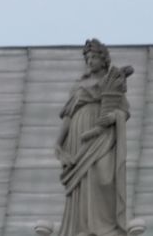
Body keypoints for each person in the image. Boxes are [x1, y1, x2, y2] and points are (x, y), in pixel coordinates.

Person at [55, 38, 133, 236]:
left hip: (104, 132)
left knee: (103, 175)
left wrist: (114, 117)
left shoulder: (112, 82)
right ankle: (82, 226)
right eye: (87, 57)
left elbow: (123, 110)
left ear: (103, 59)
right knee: (83, 179)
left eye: (94, 57)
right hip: (79, 134)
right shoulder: (79, 85)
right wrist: (58, 143)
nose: (90, 61)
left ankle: (104, 226)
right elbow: (68, 115)